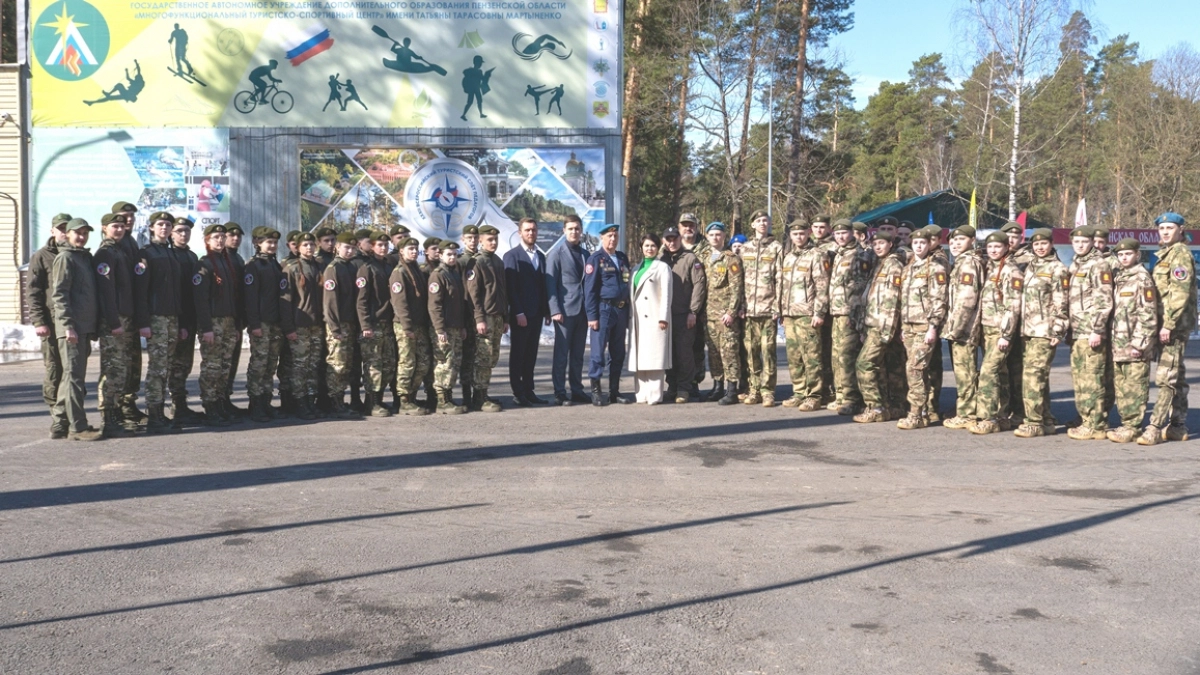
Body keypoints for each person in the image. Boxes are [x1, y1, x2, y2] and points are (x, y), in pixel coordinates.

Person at [1140, 212, 1197, 445]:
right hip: (1166, 324)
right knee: (1178, 375)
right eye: (1161, 228)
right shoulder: (1166, 253)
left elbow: (1180, 293)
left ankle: (1154, 426)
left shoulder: (1180, 254)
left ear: (1181, 229)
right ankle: (1178, 425)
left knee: (1166, 376)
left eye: (1170, 228)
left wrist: (1169, 324)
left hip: (1172, 326)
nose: (1164, 232)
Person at [49, 219, 103, 441]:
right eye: (77, 233)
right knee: (74, 378)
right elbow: (60, 295)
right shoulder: (66, 258)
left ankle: (59, 424)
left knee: (70, 379)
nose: (81, 237)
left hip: (84, 327)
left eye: (84, 233)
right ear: (68, 234)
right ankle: (78, 428)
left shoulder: (83, 258)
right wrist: (68, 326)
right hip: (72, 329)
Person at [1013, 228, 1068, 438]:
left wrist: (1059, 328)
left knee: (1033, 377)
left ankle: (1033, 422)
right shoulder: (1029, 267)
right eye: (1036, 244)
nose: (1040, 247)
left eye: (1044, 243)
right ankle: (1045, 419)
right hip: (1027, 330)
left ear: (1052, 244)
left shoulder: (1057, 269)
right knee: (1038, 377)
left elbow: (1061, 301)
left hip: (1044, 330)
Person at [967, 232, 1023, 435]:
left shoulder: (1011, 271)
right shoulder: (990, 267)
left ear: (1007, 247)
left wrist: (1006, 335)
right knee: (1001, 373)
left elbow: (1013, 306)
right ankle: (1001, 415)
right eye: (990, 247)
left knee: (989, 371)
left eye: (997, 247)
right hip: (987, 330)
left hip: (1000, 331)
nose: (993, 250)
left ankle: (988, 417)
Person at [135, 211, 184, 434]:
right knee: (157, 367)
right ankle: (154, 414)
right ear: (152, 228)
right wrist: (143, 322)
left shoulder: (171, 253)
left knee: (167, 366)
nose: (164, 228)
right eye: (160, 224)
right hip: (156, 318)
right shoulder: (146, 254)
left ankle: (162, 413)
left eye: (167, 225)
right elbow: (141, 291)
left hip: (172, 317)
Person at [1105, 239, 1158, 443]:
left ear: (1137, 254)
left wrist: (1140, 343)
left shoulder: (1142, 278)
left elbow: (1148, 313)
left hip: (1135, 344)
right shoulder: (1120, 277)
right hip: (1119, 342)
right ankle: (1126, 423)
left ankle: (1133, 426)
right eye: (1121, 254)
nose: (1124, 257)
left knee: (1135, 386)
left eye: (1128, 254)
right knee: (1122, 386)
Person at [1065, 226, 1114, 441]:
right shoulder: (1076, 264)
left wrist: (1097, 329)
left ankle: (1095, 424)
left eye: (1085, 241)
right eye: (1077, 242)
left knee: (1093, 377)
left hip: (1090, 331)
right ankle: (1087, 420)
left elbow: (1104, 300)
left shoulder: (1098, 264)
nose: (1081, 245)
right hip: (1077, 331)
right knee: (1081, 378)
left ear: (1092, 242)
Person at [896, 227, 948, 429]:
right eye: (915, 243)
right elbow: (904, 300)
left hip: (925, 325)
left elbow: (939, 300)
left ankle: (916, 414)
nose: (919, 246)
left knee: (914, 368)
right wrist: (902, 326)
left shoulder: (935, 268)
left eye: (923, 243)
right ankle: (925, 411)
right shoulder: (908, 268)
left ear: (929, 245)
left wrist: (933, 327)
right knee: (919, 370)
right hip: (909, 325)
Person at [853, 231, 905, 423]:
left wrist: (887, 330)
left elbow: (892, 300)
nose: (878, 247)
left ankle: (874, 406)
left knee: (864, 364)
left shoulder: (894, 265)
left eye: (882, 243)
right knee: (880, 368)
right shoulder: (878, 263)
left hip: (882, 325)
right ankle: (885, 406)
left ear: (890, 244)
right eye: (875, 244)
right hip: (872, 323)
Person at [779, 220, 829, 411]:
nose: (799, 237)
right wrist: (783, 311)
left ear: (808, 233)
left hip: (808, 314)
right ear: (791, 236)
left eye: (802, 233)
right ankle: (799, 392)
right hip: (790, 313)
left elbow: (822, 285)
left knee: (812, 356)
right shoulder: (789, 257)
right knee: (794, 356)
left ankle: (814, 395)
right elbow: (783, 286)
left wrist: (819, 312)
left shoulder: (816, 255)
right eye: (795, 234)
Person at [94, 213, 136, 437]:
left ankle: (117, 413)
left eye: (121, 226)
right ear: (104, 228)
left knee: (121, 369)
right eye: (114, 226)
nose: (119, 230)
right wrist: (113, 321)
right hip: (114, 319)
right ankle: (107, 418)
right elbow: (106, 291)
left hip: (124, 317)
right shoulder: (106, 253)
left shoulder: (119, 251)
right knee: (112, 369)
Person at [28, 213, 71, 436]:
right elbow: (34, 291)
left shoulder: (77, 255)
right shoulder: (41, 256)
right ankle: (57, 417)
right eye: (60, 228)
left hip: (73, 323)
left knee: (73, 371)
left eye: (67, 228)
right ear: (53, 231)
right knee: (55, 369)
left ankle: (70, 415)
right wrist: (38, 321)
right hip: (52, 323)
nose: (64, 232)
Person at [826, 219, 874, 416]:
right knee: (837, 356)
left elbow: (860, 287)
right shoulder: (839, 254)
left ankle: (853, 398)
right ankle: (841, 395)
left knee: (847, 356)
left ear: (852, 234)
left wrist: (854, 315)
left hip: (849, 313)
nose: (840, 237)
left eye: (844, 233)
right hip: (836, 312)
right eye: (837, 234)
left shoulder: (859, 255)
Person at [193, 224, 240, 427]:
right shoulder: (204, 265)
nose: (220, 240)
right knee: (212, 366)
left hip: (229, 321)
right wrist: (206, 328)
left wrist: (237, 325)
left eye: (222, 237)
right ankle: (210, 405)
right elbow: (200, 300)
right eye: (215, 237)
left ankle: (220, 402)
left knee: (225, 365)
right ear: (207, 241)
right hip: (213, 322)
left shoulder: (227, 263)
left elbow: (234, 297)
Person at [941, 225, 985, 430]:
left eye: (961, 240)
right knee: (963, 370)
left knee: (965, 371)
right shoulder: (961, 262)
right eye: (952, 241)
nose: (955, 244)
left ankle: (968, 413)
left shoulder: (968, 263)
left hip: (964, 329)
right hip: (958, 326)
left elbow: (967, 299)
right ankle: (966, 408)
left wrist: (955, 328)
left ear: (972, 241)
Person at [584, 224, 633, 405]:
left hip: (620, 310)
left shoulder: (621, 258)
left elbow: (626, 283)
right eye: (609, 236)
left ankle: (614, 391)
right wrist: (592, 316)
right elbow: (589, 290)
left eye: (615, 236)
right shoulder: (595, 259)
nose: (613, 239)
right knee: (598, 353)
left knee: (618, 352)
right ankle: (596, 391)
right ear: (602, 238)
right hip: (603, 310)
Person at [503, 218, 550, 405]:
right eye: (527, 230)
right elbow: (511, 288)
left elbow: (542, 286)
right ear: (520, 232)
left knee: (531, 354)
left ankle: (529, 390)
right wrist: (518, 312)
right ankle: (518, 392)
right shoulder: (511, 256)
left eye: (533, 230)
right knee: (518, 354)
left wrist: (546, 311)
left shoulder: (540, 256)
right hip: (521, 315)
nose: (531, 233)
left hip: (537, 313)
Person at [546, 215, 590, 405]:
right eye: (570, 228)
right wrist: (554, 309)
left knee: (578, 355)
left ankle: (577, 389)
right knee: (561, 354)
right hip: (564, 311)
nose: (574, 232)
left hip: (583, 311)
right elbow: (550, 284)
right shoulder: (556, 253)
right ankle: (560, 392)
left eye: (577, 229)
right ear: (564, 230)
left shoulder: (585, 254)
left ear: (581, 231)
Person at [280, 232, 325, 420]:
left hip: (316, 325)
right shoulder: (291, 269)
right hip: (299, 325)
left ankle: (310, 400)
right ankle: (299, 402)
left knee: (313, 365)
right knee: (299, 366)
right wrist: (289, 328)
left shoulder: (318, 266)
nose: (309, 248)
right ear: (297, 248)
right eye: (305, 245)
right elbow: (285, 301)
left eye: (311, 245)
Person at [740, 210, 783, 406]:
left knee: (768, 352)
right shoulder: (744, 249)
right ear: (752, 225)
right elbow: (738, 280)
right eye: (758, 221)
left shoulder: (776, 248)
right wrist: (739, 305)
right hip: (748, 309)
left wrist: (777, 305)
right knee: (751, 352)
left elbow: (781, 278)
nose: (762, 223)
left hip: (768, 308)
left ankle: (768, 391)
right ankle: (754, 389)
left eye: (765, 220)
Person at [243, 227, 286, 422]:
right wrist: (254, 324)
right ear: (257, 243)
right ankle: (255, 404)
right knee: (258, 365)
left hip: (275, 321)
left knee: (270, 365)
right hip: (261, 322)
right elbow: (250, 299)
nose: (272, 245)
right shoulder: (254, 266)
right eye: (268, 242)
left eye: (275, 242)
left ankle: (266, 401)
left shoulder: (274, 265)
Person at [660, 226, 706, 403]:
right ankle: (671, 386)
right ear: (664, 241)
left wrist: (693, 311)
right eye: (668, 239)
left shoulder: (690, 258)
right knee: (669, 354)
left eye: (675, 239)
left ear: (680, 239)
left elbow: (699, 286)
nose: (672, 242)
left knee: (684, 353)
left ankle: (684, 388)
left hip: (684, 315)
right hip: (666, 316)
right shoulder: (660, 259)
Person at [465, 226, 508, 412]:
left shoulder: (497, 261)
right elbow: (473, 294)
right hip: (486, 317)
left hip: (498, 316)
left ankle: (484, 392)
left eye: (495, 239)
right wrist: (479, 319)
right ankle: (478, 398)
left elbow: (503, 292)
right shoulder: (477, 262)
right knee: (483, 357)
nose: (493, 243)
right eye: (489, 239)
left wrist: (506, 318)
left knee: (492, 357)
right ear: (480, 240)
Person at [386, 236, 430, 416]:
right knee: (407, 363)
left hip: (419, 324)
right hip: (405, 326)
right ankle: (403, 400)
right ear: (401, 251)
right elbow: (399, 302)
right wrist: (407, 327)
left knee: (423, 363)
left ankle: (410, 395)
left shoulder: (416, 270)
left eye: (415, 249)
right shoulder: (399, 272)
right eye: (409, 249)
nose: (413, 251)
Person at [700, 222, 743, 404]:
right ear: (707, 237)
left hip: (725, 315)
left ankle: (732, 389)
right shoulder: (703, 257)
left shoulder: (731, 258)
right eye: (712, 235)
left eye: (719, 234)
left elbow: (736, 287)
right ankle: (717, 387)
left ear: (724, 236)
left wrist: (732, 312)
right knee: (714, 353)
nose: (715, 238)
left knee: (729, 352)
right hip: (708, 314)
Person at [322, 232, 364, 419]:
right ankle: (334, 402)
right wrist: (335, 327)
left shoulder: (352, 267)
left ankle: (340, 400)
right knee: (337, 364)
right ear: (338, 247)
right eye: (346, 247)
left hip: (350, 323)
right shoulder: (334, 268)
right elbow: (330, 302)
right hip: (338, 325)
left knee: (346, 365)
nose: (350, 251)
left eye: (353, 248)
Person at [629, 234, 673, 404]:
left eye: (653, 246)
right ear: (641, 247)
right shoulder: (635, 269)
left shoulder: (662, 268)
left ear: (658, 248)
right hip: (638, 319)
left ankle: (654, 395)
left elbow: (666, 295)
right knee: (640, 358)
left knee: (654, 358)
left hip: (655, 318)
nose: (649, 249)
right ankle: (642, 394)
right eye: (646, 246)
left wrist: (663, 318)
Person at [357, 232, 397, 417]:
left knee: (388, 364)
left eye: (385, 245)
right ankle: (371, 403)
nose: (383, 247)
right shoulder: (367, 268)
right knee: (373, 365)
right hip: (373, 323)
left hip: (388, 322)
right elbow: (361, 301)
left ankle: (379, 399)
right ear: (372, 246)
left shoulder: (389, 265)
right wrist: (365, 325)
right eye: (379, 244)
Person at [169, 217, 202, 428]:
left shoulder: (191, 256)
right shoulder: (170, 256)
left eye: (187, 231)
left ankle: (181, 405)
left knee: (186, 364)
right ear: (172, 233)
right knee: (175, 365)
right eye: (179, 231)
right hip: (176, 318)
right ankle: (174, 406)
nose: (183, 234)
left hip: (191, 318)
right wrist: (180, 322)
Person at [428, 241, 468, 414]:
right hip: (443, 328)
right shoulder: (438, 275)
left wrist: (462, 326)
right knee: (444, 363)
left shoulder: (455, 274)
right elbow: (434, 305)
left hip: (455, 327)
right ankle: (441, 401)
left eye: (454, 254)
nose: (452, 257)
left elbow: (459, 304)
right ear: (441, 255)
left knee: (453, 363)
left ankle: (449, 396)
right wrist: (439, 329)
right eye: (448, 254)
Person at [676, 213, 709, 395]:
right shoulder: (672, 247)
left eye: (691, 225)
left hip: (704, 307)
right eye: (684, 225)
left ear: (697, 227)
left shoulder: (708, 248)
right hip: (679, 308)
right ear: (679, 228)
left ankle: (695, 381)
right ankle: (678, 382)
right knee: (680, 347)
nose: (688, 228)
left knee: (697, 346)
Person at [223, 223, 248, 417]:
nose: (235, 239)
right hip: (223, 318)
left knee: (232, 360)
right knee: (221, 362)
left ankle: (226, 397)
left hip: (236, 317)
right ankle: (218, 400)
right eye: (232, 235)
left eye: (238, 236)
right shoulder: (220, 259)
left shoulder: (238, 259)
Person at [458, 224, 480, 405]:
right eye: (469, 238)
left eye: (475, 238)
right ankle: (466, 394)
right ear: (462, 240)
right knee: (467, 357)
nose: (473, 241)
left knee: (479, 356)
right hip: (467, 314)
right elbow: (462, 293)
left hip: (481, 315)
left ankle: (479, 393)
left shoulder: (481, 259)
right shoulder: (461, 261)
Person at [460, 55, 492, 121]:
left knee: (479, 101)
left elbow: (483, 79)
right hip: (473, 89)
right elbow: (482, 79)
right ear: (476, 63)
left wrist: (487, 76)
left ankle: (480, 114)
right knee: (470, 102)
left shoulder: (478, 71)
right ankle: (464, 115)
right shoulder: (472, 71)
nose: (481, 65)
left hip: (476, 88)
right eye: (480, 63)